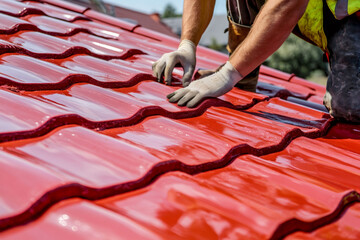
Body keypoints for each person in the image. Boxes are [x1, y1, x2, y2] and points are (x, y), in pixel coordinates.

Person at [152, 0, 360, 122]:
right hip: (321, 16)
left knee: (351, 107)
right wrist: (187, 44)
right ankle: (246, 74)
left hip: (353, 17)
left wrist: (228, 74)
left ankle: (239, 69)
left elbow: (288, 3)